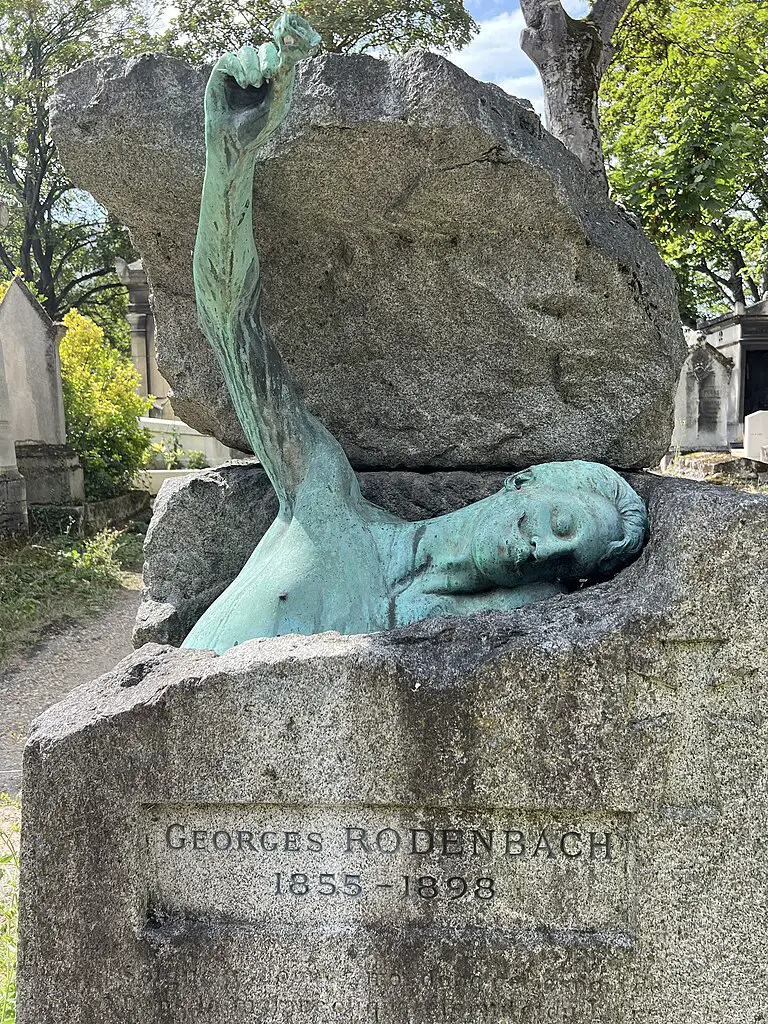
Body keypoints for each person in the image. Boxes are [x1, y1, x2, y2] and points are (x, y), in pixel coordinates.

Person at [183, 15, 647, 655]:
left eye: (562, 560)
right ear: (524, 479)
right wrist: (228, 155)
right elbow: (230, 318)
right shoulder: (324, 499)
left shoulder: (450, 633)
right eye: (560, 520)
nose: (544, 546)